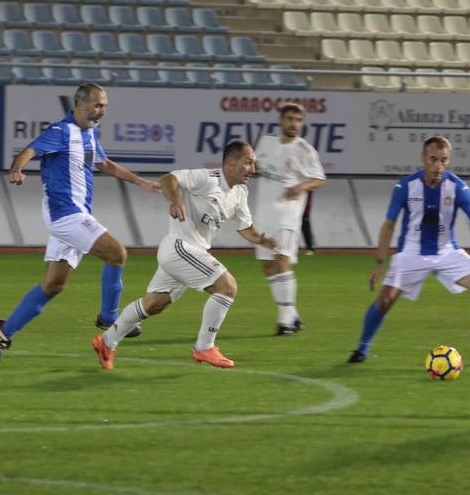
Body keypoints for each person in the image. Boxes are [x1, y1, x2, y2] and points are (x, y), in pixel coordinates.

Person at [0, 83, 158, 363]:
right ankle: (109, 319)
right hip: (65, 214)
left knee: (53, 285)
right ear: (80, 104)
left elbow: (105, 164)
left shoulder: (89, 134)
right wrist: (16, 169)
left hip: (75, 215)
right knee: (117, 254)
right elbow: (30, 150)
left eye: (104, 105)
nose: (102, 110)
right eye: (97, 105)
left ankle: (4, 330)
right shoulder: (61, 131)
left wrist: (140, 182)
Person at [91, 140, 277, 370]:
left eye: (254, 163)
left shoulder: (240, 192)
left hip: (189, 253)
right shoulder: (208, 178)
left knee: (155, 304)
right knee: (226, 287)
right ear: (230, 162)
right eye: (248, 162)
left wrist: (263, 240)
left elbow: (245, 227)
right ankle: (204, 347)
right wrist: (175, 199)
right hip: (179, 247)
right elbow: (169, 179)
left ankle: (106, 341)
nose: (253, 168)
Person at [347, 136, 470, 365]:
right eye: (433, 159)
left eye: (444, 160)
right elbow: (389, 225)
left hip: (447, 251)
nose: (438, 165)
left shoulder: (458, 187)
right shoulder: (406, 186)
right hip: (411, 253)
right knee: (384, 301)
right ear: (423, 158)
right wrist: (379, 263)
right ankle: (362, 348)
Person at [253, 102, 327, 335]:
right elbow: (256, 166)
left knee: (281, 259)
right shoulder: (266, 142)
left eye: (298, 120)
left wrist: (301, 187)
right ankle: (292, 315)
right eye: (290, 119)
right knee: (267, 266)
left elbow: (319, 179)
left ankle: (285, 321)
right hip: (262, 214)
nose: (294, 124)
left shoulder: (305, 150)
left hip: (286, 215)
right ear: (281, 120)